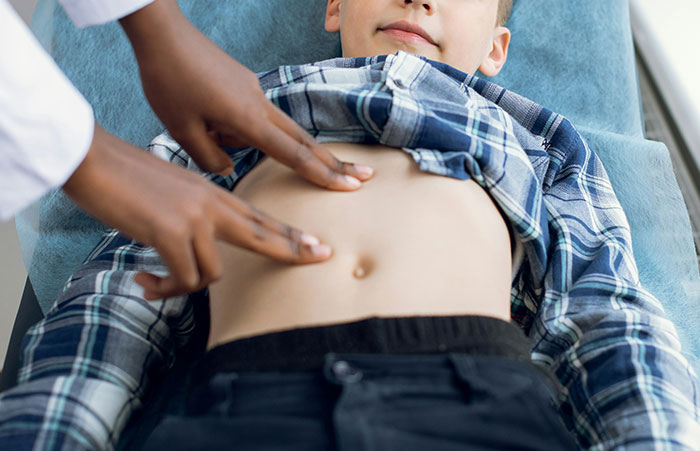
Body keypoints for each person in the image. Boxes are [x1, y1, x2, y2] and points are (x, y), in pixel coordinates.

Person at [1, 0, 699, 449]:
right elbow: (120, 301)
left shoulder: (539, 141)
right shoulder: (232, 109)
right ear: (335, 6)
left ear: (496, 47)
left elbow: (606, 317)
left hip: (475, 398)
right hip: (246, 402)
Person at [1, 0, 374, 300]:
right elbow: (119, 291)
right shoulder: (258, 104)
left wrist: (156, 27)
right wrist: (90, 161)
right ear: (335, 6)